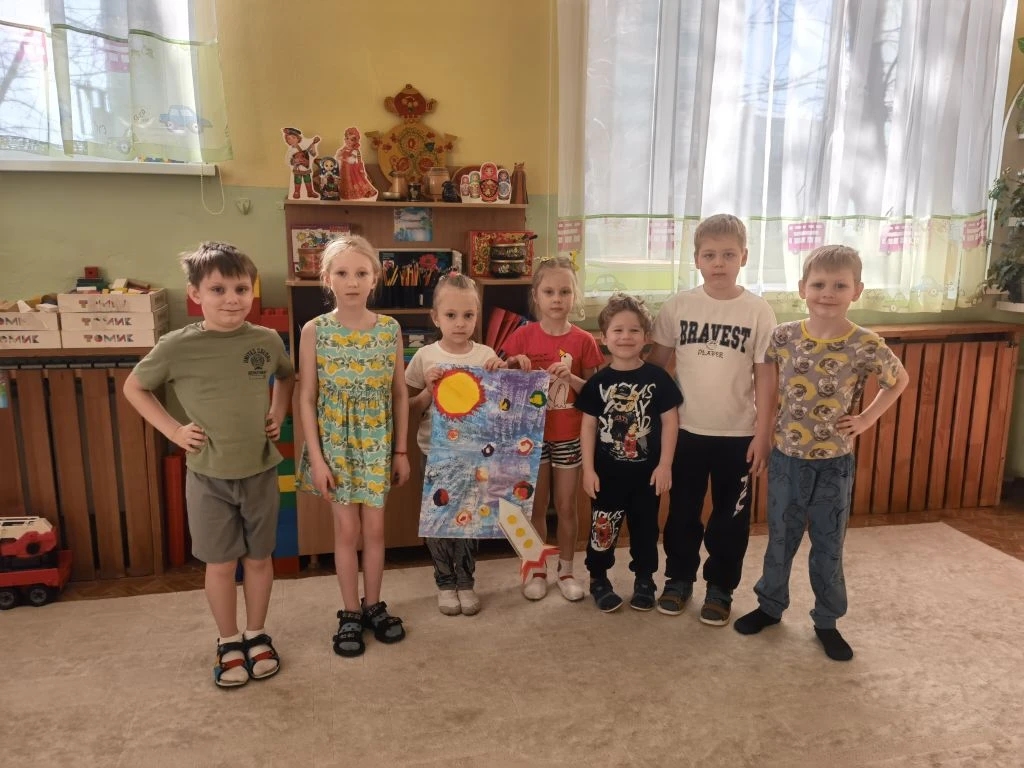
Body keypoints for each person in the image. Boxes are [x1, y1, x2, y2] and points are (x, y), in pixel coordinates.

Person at [123, 242, 295, 688]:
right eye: (218, 289)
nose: (232, 299)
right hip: (208, 476)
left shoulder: (266, 340)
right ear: (195, 293)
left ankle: (256, 634)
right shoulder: (176, 346)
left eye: (241, 289)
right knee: (220, 564)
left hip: (260, 470)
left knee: (259, 559)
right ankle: (228, 640)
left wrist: (278, 411)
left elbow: (286, 375)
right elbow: (134, 388)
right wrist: (174, 431)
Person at [734, 245, 908, 661]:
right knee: (781, 539)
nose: (828, 293)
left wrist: (866, 419)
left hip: (834, 464)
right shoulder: (784, 336)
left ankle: (827, 620)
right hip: (787, 460)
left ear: (857, 291)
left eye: (839, 286)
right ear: (802, 288)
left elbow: (898, 380)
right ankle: (770, 606)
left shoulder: (865, 343)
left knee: (828, 546)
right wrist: (763, 431)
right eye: (819, 284)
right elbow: (766, 384)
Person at [648, 214, 777, 626]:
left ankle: (721, 587)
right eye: (709, 255)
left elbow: (766, 377)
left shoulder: (758, 311)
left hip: (738, 435)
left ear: (744, 257)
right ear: (696, 260)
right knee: (682, 512)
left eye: (728, 255)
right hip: (685, 432)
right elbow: (655, 367)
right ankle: (678, 579)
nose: (718, 263)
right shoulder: (679, 306)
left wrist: (763, 434)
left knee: (730, 519)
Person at [296, 234, 410, 657]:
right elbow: (307, 397)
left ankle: (373, 605)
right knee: (347, 531)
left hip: (377, 444)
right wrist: (318, 460)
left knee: (375, 530)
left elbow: (400, 393)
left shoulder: (390, 329)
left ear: (374, 278)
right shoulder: (315, 330)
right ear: (328, 278)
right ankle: (349, 612)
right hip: (336, 448)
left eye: (362, 273)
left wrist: (400, 451)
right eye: (342, 273)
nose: (352, 281)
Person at [500, 257, 604, 601]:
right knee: (536, 506)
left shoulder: (584, 341)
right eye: (549, 292)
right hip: (530, 438)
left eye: (564, 291)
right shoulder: (521, 336)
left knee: (567, 506)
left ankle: (567, 570)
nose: (557, 298)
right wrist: (513, 365)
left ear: (575, 295)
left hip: (569, 436)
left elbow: (595, 395)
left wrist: (571, 378)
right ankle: (537, 569)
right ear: (536, 295)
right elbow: (502, 388)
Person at [406, 273, 505, 616]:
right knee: (438, 518)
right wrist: (427, 391)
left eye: (468, 315)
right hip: (435, 452)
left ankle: (465, 581)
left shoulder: (486, 354)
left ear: (477, 316)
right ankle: (444, 582)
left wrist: (499, 375)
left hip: (474, 454)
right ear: (435, 317)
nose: (460, 323)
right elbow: (409, 408)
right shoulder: (425, 356)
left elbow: (500, 408)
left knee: (468, 519)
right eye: (451, 315)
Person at [575, 294, 682, 612]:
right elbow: (587, 427)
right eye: (618, 330)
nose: (625, 337)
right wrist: (588, 470)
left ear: (646, 337)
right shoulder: (598, 383)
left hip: (647, 477)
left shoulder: (658, 379)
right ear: (604, 338)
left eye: (634, 330)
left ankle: (645, 580)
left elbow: (671, 422)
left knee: (646, 531)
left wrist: (665, 465)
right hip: (606, 477)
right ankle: (598, 578)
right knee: (603, 529)